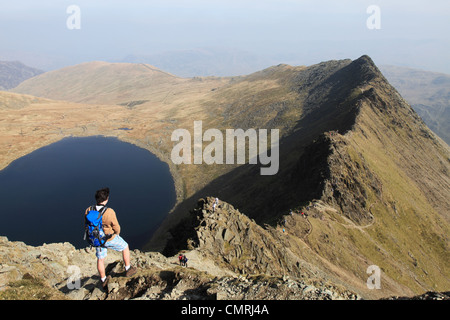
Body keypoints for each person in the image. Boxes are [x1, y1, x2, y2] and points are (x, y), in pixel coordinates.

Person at [85, 187, 137, 289]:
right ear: (107, 199)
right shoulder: (109, 212)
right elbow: (116, 227)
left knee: (100, 259)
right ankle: (128, 269)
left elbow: (86, 225)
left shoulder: (89, 210)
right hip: (109, 238)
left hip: (96, 240)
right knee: (125, 247)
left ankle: (103, 280)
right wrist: (116, 234)